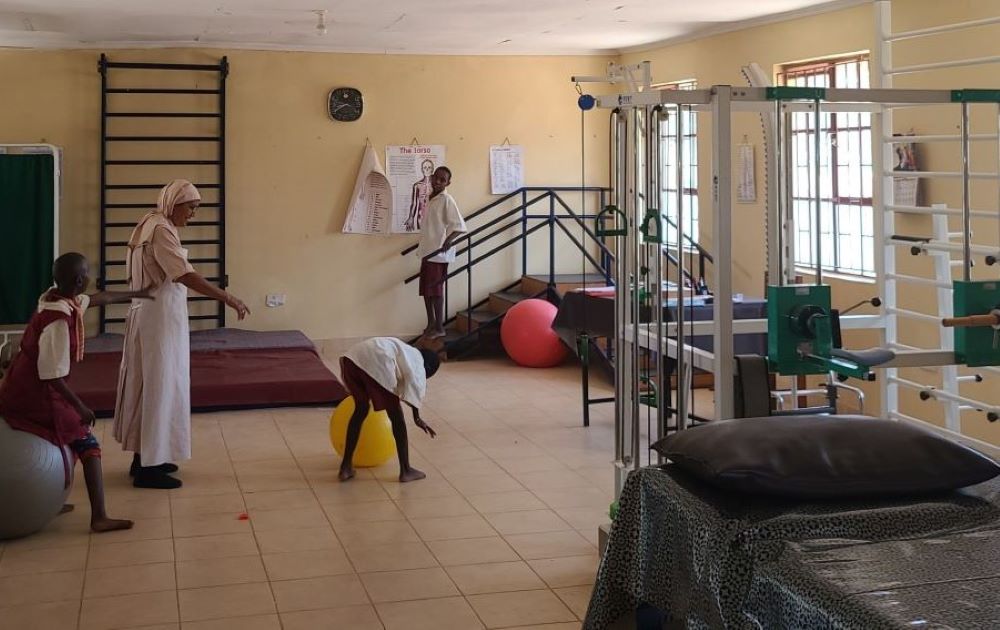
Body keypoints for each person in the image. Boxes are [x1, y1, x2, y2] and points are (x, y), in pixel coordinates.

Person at [113, 179, 251, 490]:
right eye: (190, 207)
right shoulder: (161, 229)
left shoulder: (149, 222)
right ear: (173, 203)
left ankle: (147, 456)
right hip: (158, 319)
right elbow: (183, 273)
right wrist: (226, 297)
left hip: (149, 314)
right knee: (160, 387)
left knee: (149, 386)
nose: (193, 214)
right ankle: (149, 468)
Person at [0, 253, 144, 533]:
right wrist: (79, 407)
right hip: (34, 394)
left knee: (66, 437)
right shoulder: (58, 321)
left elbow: (100, 298)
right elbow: (51, 375)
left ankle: (50, 496)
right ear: (79, 280)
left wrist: (138, 293)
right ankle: (99, 517)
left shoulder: (57, 299)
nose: (90, 278)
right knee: (87, 443)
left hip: (20, 386)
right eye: (87, 273)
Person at [338, 337, 440, 483]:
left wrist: (416, 416)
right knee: (397, 417)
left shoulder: (405, 351)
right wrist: (416, 417)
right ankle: (406, 470)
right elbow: (415, 386)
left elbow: (408, 385)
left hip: (351, 360)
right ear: (428, 369)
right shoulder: (418, 362)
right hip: (377, 361)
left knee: (361, 410)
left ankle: (345, 468)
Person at [417, 166, 467, 338]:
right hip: (427, 251)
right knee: (426, 290)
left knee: (436, 291)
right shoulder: (432, 198)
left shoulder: (447, 200)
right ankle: (430, 323)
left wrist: (448, 241)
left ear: (448, 183)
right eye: (436, 178)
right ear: (431, 178)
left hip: (438, 254)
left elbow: (460, 226)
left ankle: (439, 327)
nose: (438, 182)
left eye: (442, 180)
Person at [404, 159, 435, 232]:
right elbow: (414, 203)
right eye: (425, 167)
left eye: (429, 167)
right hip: (421, 216)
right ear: (422, 169)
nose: (427, 170)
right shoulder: (417, 185)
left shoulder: (435, 185)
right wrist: (411, 217)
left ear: (432, 169)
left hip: (433, 216)